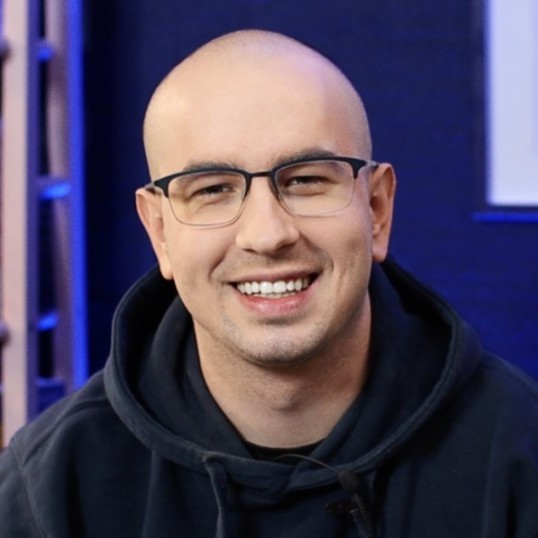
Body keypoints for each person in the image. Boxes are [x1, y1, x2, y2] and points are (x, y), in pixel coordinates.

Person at [1, 29, 537, 538]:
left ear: (377, 209)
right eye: (212, 189)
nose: (267, 235)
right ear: (159, 231)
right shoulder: (47, 493)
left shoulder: (521, 456)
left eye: (306, 180)